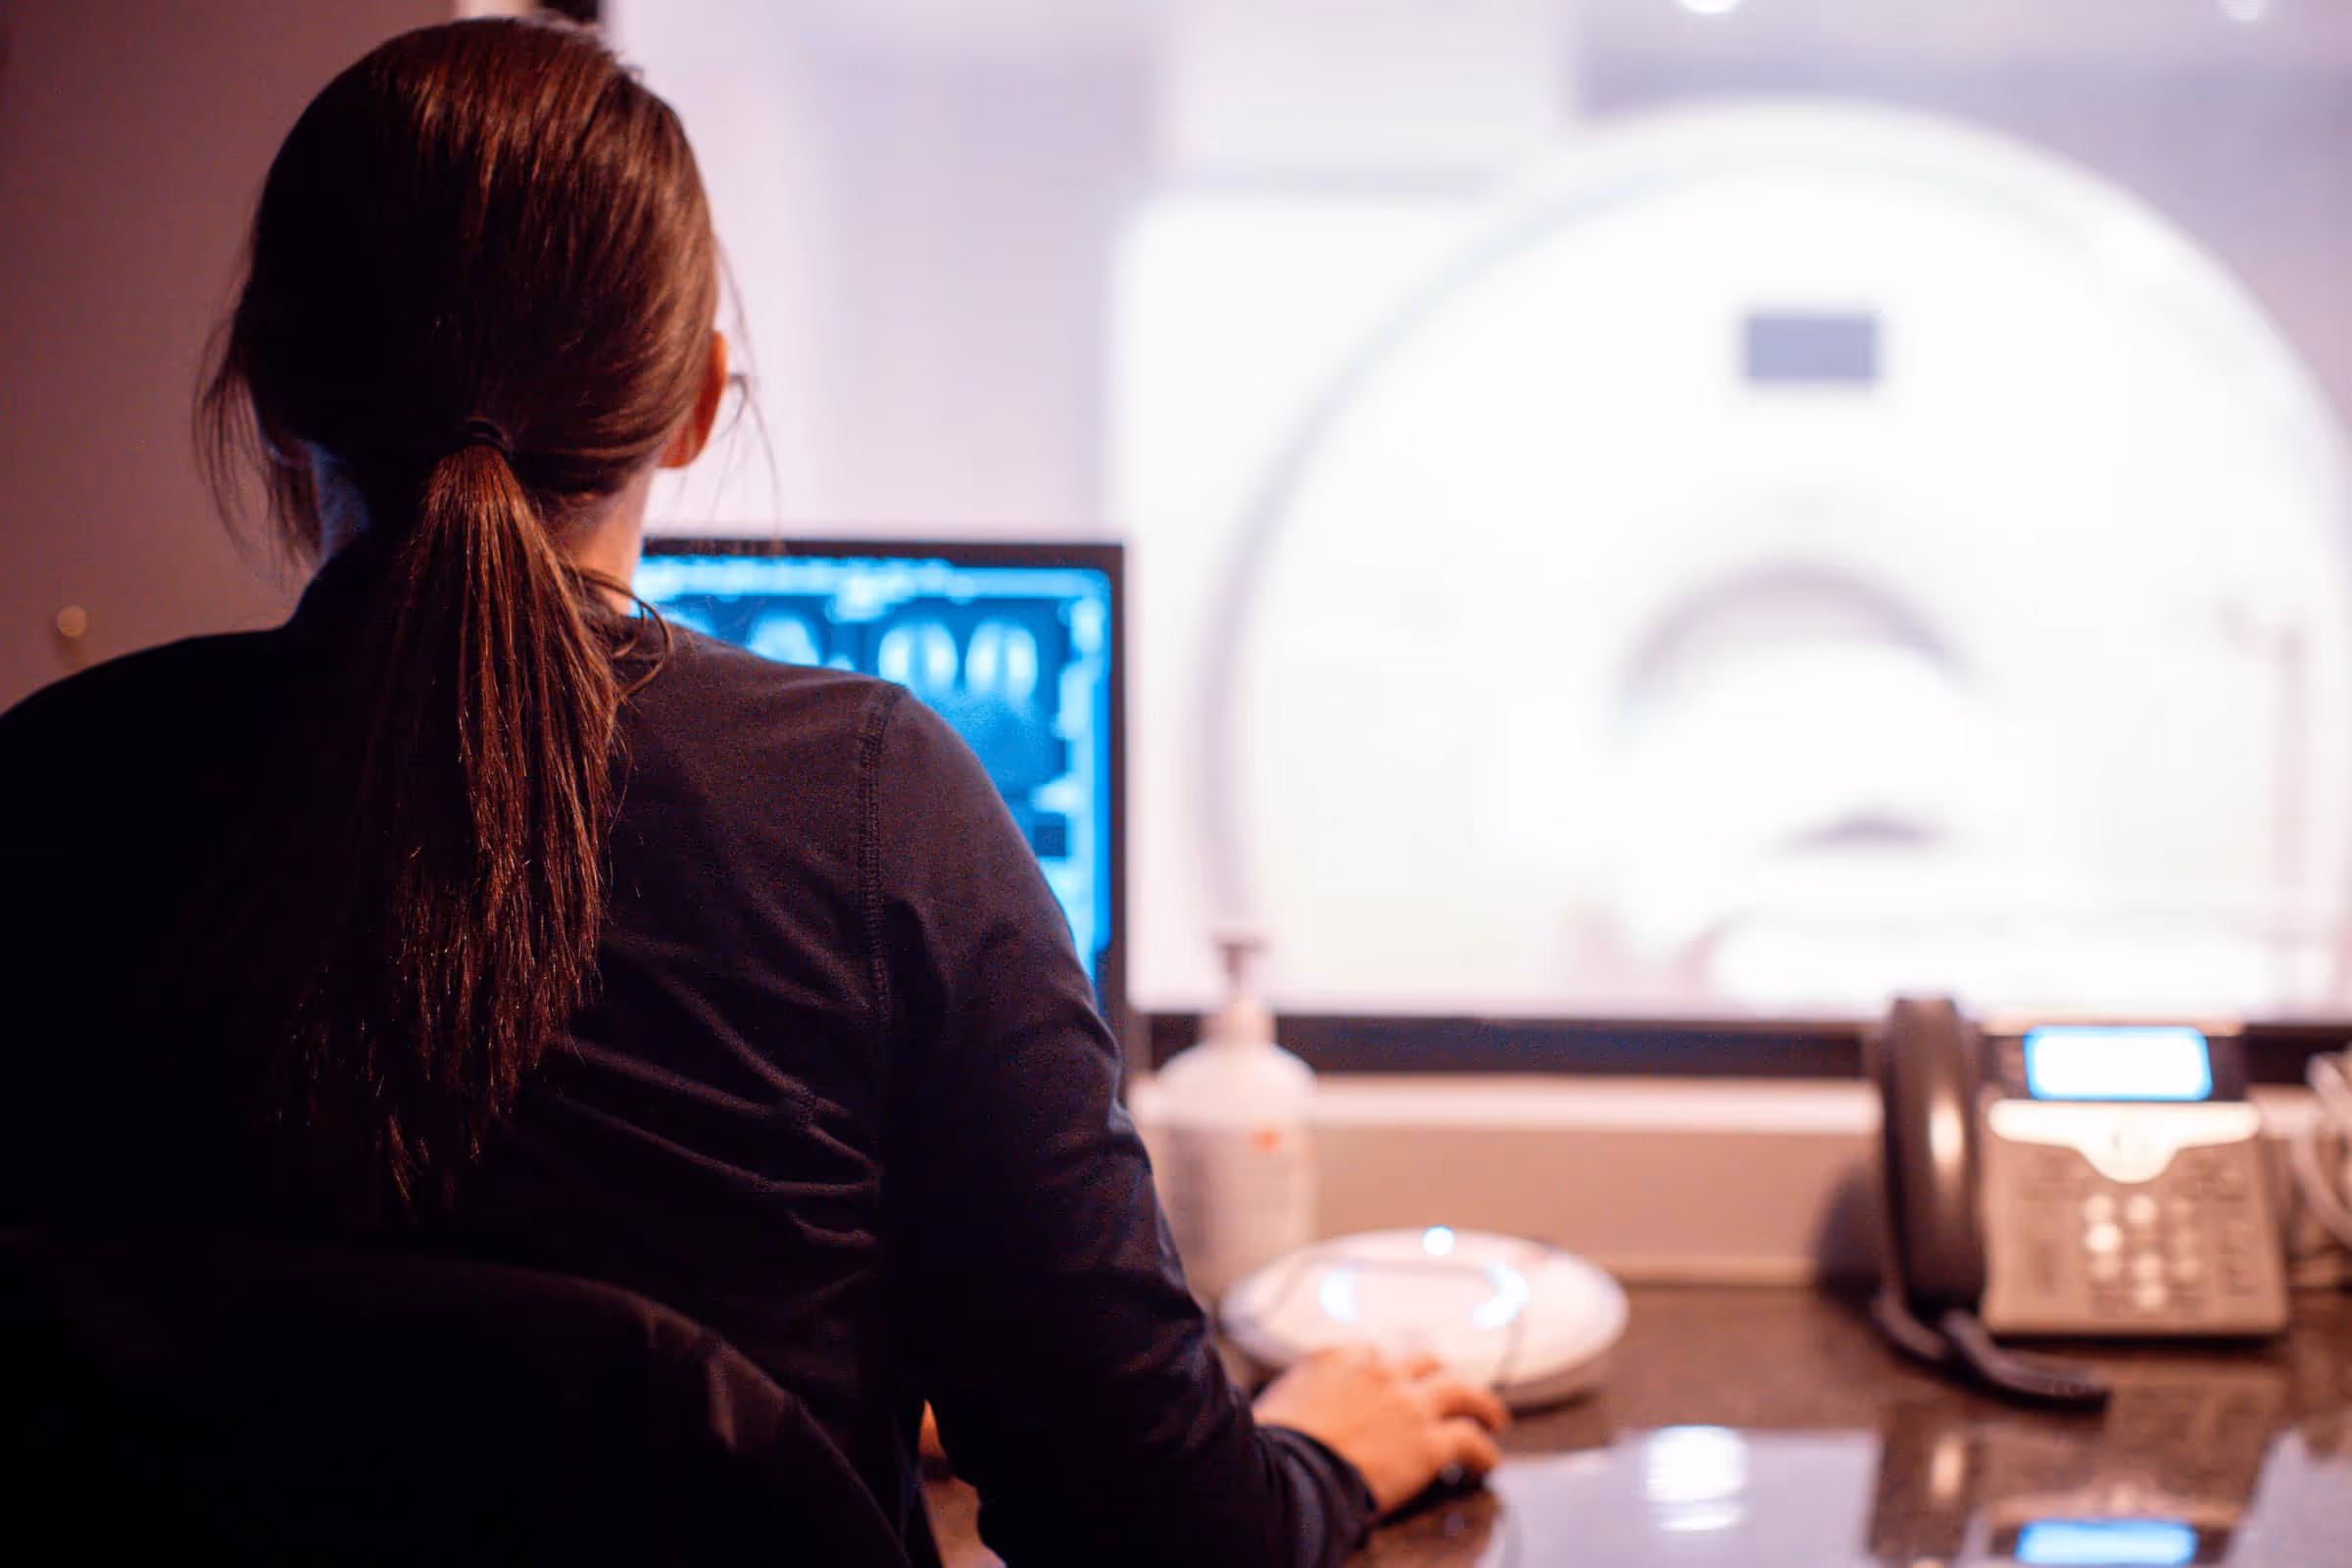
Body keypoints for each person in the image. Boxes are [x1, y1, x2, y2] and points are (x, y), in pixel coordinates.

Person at [0, 18, 1504, 1566]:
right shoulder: (873, 812)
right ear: (702, 401)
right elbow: (1168, 1538)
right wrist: (1321, 1452)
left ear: (261, 383)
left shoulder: (43, 800)